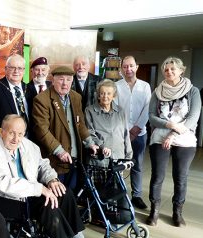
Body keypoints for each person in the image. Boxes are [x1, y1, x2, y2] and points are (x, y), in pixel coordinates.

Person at [0, 115, 114, 238]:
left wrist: (52, 180)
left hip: (29, 193)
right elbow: (3, 182)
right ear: (2, 132)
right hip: (5, 199)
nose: (16, 138)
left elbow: (42, 165)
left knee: (63, 192)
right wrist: (40, 189)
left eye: (21, 134)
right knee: (47, 202)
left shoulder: (27, 145)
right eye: (11, 133)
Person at [147, 57, 201, 227]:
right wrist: (168, 124)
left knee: (180, 177)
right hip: (159, 136)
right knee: (157, 176)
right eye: (166, 69)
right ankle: (154, 210)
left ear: (181, 70)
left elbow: (193, 118)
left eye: (173, 69)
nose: (169, 72)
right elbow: (151, 117)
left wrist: (172, 134)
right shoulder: (157, 91)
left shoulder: (192, 91)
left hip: (184, 137)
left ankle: (177, 213)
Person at [32, 66, 98, 189]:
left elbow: (80, 124)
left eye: (68, 80)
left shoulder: (76, 97)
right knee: (57, 196)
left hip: (74, 157)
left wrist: (90, 143)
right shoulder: (42, 100)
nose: (65, 84)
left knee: (71, 192)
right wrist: (59, 151)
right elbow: (42, 130)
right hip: (54, 160)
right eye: (61, 79)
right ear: (53, 80)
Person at [114, 56, 151, 209]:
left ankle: (136, 195)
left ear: (137, 67)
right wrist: (125, 131)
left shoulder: (145, 86)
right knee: (120, 165)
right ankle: (121, 195)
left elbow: (148, 107)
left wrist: (136, 128)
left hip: (140, 133)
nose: (128, 69)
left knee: (137, 164)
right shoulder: (116, 86)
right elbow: (114, 109)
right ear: (121, 69)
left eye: (131, 66)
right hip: (121, 134)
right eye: (125, 66)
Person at [85, 79, 132, 166]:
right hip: (100, 159)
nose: (105, 96)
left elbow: (126, 134)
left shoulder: (120, 111)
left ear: (114, 96)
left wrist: (128, 156)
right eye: (102, 93)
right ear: (98, 95)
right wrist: (102, 147)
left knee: (119, 179)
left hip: (118, 157)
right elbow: (89, 133)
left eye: (109, 93)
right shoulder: (90, 111)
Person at [0, 54, 29, 129]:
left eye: (20, 68)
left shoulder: (28, 88)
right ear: (5, 69)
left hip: (27, 137)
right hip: (4, 136)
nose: (16, 71)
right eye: (12, 68)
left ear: (24, 71)